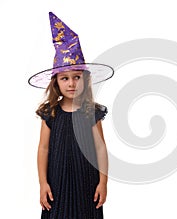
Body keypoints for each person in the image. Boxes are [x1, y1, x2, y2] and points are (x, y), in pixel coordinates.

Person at [28, 12, 114, 218]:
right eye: (65, 78)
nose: (72, 83)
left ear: (85, 79)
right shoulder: (50, 113)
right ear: (56, 82)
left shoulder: (90, 112)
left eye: (77, 77)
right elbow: (43, 148)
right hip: (56, 183)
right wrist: (42, 183)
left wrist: (103, 182)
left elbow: (101, 148)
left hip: (87, 183)